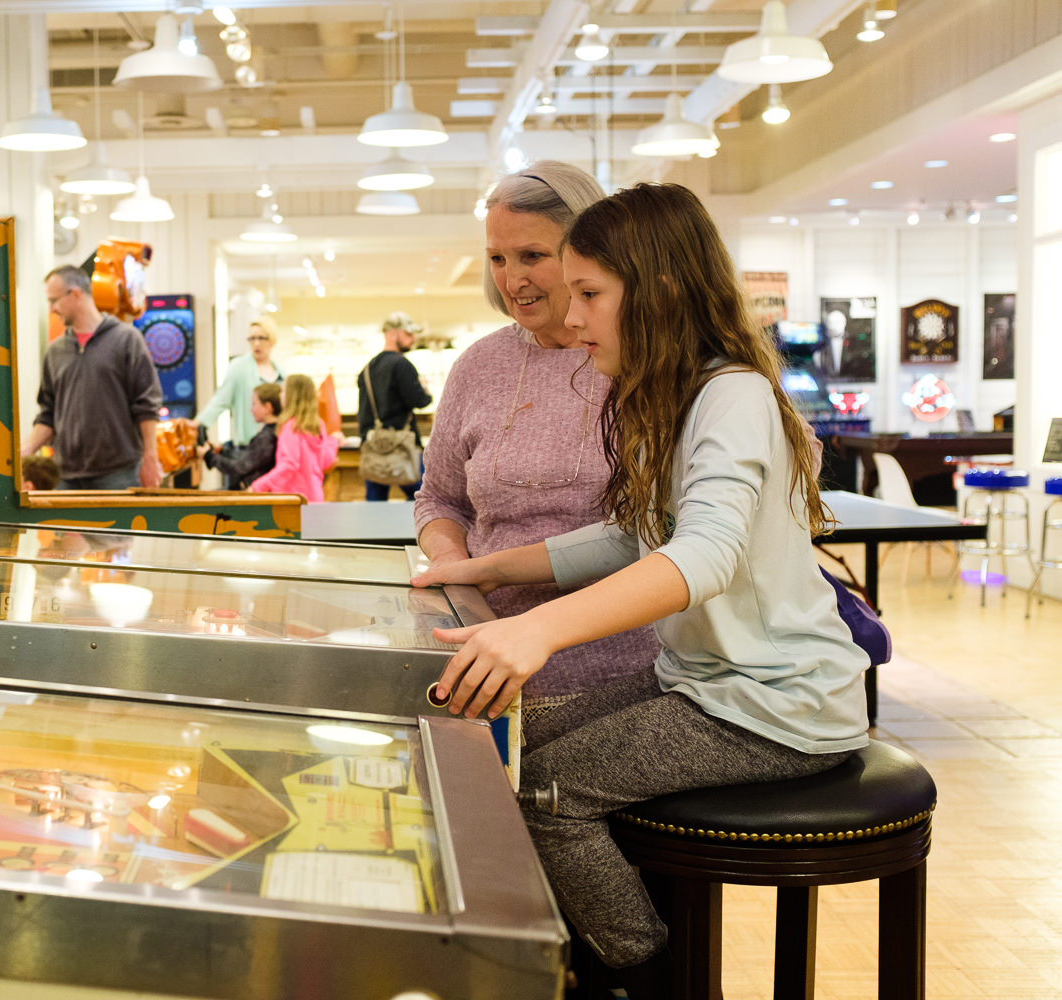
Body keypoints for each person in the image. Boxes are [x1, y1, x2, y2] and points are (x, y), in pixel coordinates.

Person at [412, 183, 869, 998]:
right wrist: (485, 568)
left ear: (657, 291)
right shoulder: (675, 394)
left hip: (775, 704)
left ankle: (653, 979)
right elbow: (633, 536)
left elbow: (705, 554)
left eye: (590, 294)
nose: (573, 318)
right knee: (514, 755)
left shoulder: (733, 394)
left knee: (546, 795)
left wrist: (539, 630)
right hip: (708, 686)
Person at [415, 161, 658, 713]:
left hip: (629, 677)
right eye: (497, 258)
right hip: (484, 664)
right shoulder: (480, 365)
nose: (511, 278)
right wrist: (456, 572)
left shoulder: (648, 362)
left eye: (532, 256)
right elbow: (439, 498)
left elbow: (673, 533)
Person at [20, 265, 163, 489]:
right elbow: (48, 416)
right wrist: (21, 452)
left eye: (54, 300)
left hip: (119, 474)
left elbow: (147, 406)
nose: (51, 309)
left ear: (75, 294)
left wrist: (151, 458)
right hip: (67, 476)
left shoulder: (127, 340)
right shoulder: (56, 351)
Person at [356, 312, 432, 501]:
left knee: (374, 503)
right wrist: (425, 390)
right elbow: (419, 401)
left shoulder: (367, 369)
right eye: (408, 334)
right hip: (402, 446)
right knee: (424, 498)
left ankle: (374, 531)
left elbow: (363, 412)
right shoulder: (402, 365)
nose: (413, 339)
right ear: (392, 334)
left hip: (373, 445)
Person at [193, 315, 283, 449]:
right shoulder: (239, 367)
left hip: (277, 445)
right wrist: (199, 422)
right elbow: (221, 399)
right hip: (248, 446)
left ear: (272, 340)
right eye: (252, 338)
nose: (256, 343)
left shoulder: (281, 373)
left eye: (261, 338)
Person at [249, 374, 340, 502]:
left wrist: (257, 486)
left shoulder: (291, 427)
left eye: (284, 391)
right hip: (315, 497)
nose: (280, 395)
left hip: (293, 501)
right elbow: (326, 461)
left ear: (293, 396)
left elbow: (289, 465)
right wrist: (333, 441)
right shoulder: (318, 425)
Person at [202, 381, 281, 490]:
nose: (251, 409)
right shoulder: (270, 432)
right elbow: (249, 456)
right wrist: (222, 451)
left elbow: (241, 466)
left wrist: (209, 456)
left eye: (254, 404)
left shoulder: (267, 437)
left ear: (268, 407)